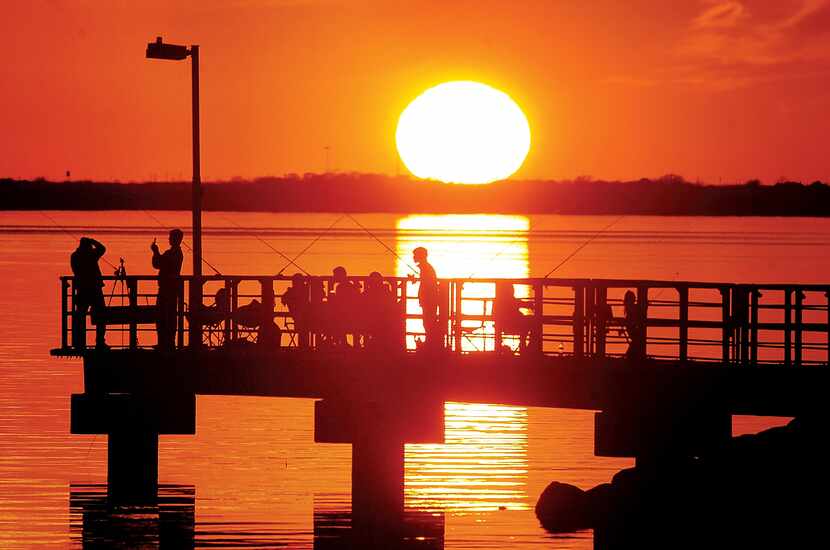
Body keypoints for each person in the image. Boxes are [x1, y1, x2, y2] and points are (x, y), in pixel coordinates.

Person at [70, 237, 108, 349]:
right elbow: (102, 248)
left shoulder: (75, 256)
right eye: (90, 245)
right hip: (94, 289)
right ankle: (100, 342)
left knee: (80, 316)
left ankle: (79, 343)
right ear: (88, 246)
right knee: (101, 316)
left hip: (82, 289)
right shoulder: (91, 255)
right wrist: (93, 240)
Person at [151, 229, 184, 350]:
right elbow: (157, 264)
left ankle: (168, 343)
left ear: (177, 239)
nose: (169, 239)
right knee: (161, 315)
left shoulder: (175, 254)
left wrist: (155, 251)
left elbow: (159, 263)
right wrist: (156, 252)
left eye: (171, 237)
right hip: (166, 288)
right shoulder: (171, 253)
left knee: (167, 316)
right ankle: (164, 342)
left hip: (169, 289)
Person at [494, 281, 534, 352]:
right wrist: (529, 304)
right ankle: (525, 346)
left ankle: (524, 345)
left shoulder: (499, 300)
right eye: (511, 289)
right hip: (512, 325)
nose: (513, 291)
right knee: (531, 321)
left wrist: (527, 304)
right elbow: (519, 303)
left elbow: (519, 303)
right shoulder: (509, 300)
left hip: (505, 325)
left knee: (527, 321)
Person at [413, 247, 440, 350]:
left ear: (420, 256)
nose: (414, 257)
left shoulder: (426, 268)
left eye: (415, 255)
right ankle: (430, 343)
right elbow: (426, 281)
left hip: (429, 300)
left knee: (428, 322)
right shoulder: (426, 267)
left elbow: (427, 284)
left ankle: (431, 344)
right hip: (429, 299)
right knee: (428, 321)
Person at [361, 271, 397, 349]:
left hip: (373, 320)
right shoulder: (385, 290)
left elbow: (362, 301)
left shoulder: (368, 292)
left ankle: (371, 344)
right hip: (384, 320)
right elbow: (392, 301)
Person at [328, 266, 360, 346]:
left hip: (346, 318)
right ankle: (343, 343)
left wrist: (332, 295)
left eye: (335, 275)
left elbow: (339, 303)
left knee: (335, 320)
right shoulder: (352, 286)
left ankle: (341, 343)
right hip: (354, 317)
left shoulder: (340, 287)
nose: (333, 277)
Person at [282, 273, 310, 347]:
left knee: (302, 329)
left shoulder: (290, 292)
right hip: (305, 318)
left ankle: (303, 347)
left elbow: (283, 300)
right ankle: (304, 347)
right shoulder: (306, 290)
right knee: (304, 329)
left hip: (297, 317)